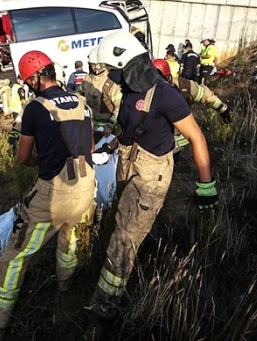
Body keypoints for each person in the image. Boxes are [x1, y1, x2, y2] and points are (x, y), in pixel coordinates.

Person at [84, 31, 219, 337]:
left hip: (152, 173)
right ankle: (141, 253)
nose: (110, 76)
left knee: (124, 236)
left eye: (113, 70)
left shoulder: (166, 95)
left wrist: (206, 183)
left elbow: (197, 136)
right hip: (129, 160)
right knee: (125, 221)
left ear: (127, 66)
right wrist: (112, 143)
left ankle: (105, 305)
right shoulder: (129, 90)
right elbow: (130, 125)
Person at [0, 51, 96, 341]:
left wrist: (44, 162)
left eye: (27, 79)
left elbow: (23, 157)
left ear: (34, 77)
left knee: (14, 257)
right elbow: (90, 146)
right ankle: (66, 290)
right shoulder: (82, 102)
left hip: (54, 196)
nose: (28, 84)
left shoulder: (35, 108)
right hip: (85, 188)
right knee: (69, 241)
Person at [153, 59, 231, 125]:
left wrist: (223, 109)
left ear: (169, 76)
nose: (161, 84)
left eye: (163, 79)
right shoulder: (146, 91)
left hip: (182, 135)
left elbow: (205, 95)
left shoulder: (185, 86)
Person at [77, 47, 122, 142]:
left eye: (99, 64)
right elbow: (78, 93)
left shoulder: (110, 80)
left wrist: (110, 126)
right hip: (91, 127)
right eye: (93, 64)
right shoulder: (87, 79)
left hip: (107, 130)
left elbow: (119, 106)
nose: (96, 67)